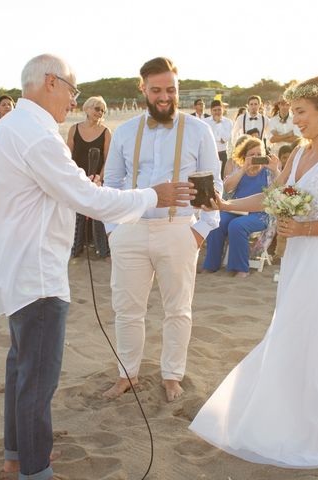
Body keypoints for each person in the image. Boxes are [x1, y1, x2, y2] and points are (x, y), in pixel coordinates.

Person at [0, 53, 196, 480]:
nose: (73, 101)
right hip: (37, 274)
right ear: (50, 83)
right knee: (37, 382)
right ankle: (34, 469)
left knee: (21, 369)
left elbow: (53, 192)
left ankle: (15, 457)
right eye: (72, 90)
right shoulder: (36, 135)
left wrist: (81, 188)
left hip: (15, 266)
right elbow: (93, 203)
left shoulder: (8, 129)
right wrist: (154, 195)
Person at [190, 76, 318, 468]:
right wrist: (225, 203)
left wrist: (305, 229)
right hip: (296, 264)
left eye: (301, 112)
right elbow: (271, 198)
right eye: (293, 112)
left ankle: (307, 432)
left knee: (310, 346)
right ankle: (283, 421)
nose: (294, 120)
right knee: (288, 339)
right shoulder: (299, 154)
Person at [102, 56, 222, 403]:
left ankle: (172, 375)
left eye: (171, 89)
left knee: (178, 309)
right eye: (157, 90)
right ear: (143, 89)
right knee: (127, 309)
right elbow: (111, 183)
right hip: (130, 231)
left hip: (179, 231)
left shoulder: (200, 131)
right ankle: (127, 374)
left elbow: (214, 187)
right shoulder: (124, 131)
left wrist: (201, 230)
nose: (165, 96)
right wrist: (113, 229)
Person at [201, 137, 277, 277]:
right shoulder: (239, 171)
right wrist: (243, 169)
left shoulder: (268, 172)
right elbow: (227, 189)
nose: (256, 157)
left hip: (260, 213)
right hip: (236, 209)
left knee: (237, 226)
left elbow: (279, 190)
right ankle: (211, 265)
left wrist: (276, 169)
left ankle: (241, 268)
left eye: (259, 154)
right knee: (217, 222)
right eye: (251, 155)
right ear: (244, 156)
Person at [67, 96, 112, 258]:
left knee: (98, 217)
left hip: (97, 181)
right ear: (87, 108)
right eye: (97, 108)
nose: (100, 112)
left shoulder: (106, 132)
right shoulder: (74, 129)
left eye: (102, 110)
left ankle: (102, 250)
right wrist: (74, 177)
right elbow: (67, 157)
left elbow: (109, 159)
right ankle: (76, 249)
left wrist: (99, 178)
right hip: (77, 179)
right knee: (76, 216)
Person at [204, 99, 233, 178]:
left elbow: (223, 139)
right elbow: (206, 139)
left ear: (223, 109)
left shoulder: (228, 122)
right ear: (211, 111)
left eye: (219, 110)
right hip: (208, 153)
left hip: (222, 153)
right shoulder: (205, 122)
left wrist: (218, 123)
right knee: (209, 177)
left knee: (222, 177)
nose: (217, 112)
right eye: (215, 110)